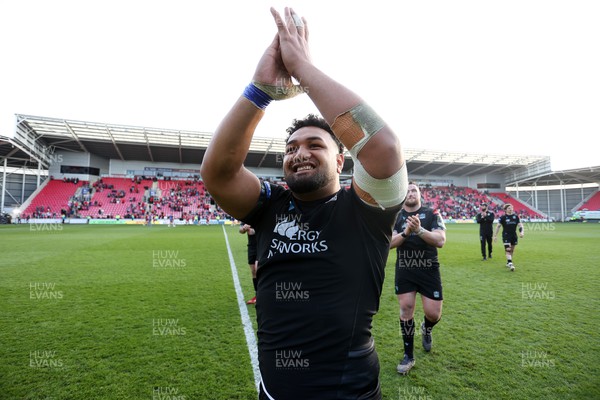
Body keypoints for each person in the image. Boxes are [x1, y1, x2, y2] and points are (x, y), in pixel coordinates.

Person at [200, 7, 407, 399]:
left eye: (316, 145)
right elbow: (218, 174)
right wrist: (260, 90)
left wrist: (302, 69)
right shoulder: (269, 205)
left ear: (342, 160)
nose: (300, 153)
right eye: (291, 147)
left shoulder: (364, 211)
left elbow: (384, 148)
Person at [390, 182, 446, 375]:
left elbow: (440, 240)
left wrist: (419, 230)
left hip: (429, 269)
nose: (410, 193)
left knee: (433, 314)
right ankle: (408, 356)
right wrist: (407, 231)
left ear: (420, 194)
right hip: (405, 269)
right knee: (406, 309)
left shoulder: (433, 214)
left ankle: (427, 328)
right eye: (406, 190)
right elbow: (388, 243)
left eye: (414, 190)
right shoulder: (396, 216)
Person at [493, 203, 524, 271]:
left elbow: (520, 225)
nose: (511, 209)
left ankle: (508, 262)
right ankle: (510, 264)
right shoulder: (503, 217)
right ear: (505, 210)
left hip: (514, 235)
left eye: (512, 208)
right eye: (509, 208)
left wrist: (521, 232)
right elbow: (498, 226)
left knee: (512, 250)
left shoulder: (516, 217)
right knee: (508, 249)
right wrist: (495, 236)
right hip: (506, 235)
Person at [239, 223, 258, 305]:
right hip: (251, 248)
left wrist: (251, 230)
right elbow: (240, 230)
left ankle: (263, 294)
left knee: (258, 270)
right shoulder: (248, 217)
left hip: (261, 246)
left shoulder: (262, 217)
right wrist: (244, 229)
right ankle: (257, 295)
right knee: (253, 271)